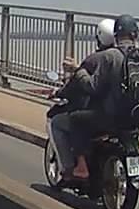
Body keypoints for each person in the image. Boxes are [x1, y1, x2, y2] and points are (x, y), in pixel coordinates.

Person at [52, 15, 139, 179]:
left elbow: (92, 87)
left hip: (111, 118)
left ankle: (81, 167)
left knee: (73, 120)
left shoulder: (108, 57)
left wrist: (77, 71)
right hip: (136, 118)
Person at [49, 18, 116, 179]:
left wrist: (59, 92)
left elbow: (78, 86)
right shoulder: (123, 57)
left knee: (60, 122)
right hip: (123, 115)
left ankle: (74, 168)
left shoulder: (95, 59)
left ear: (99, 37)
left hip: (101, 114)